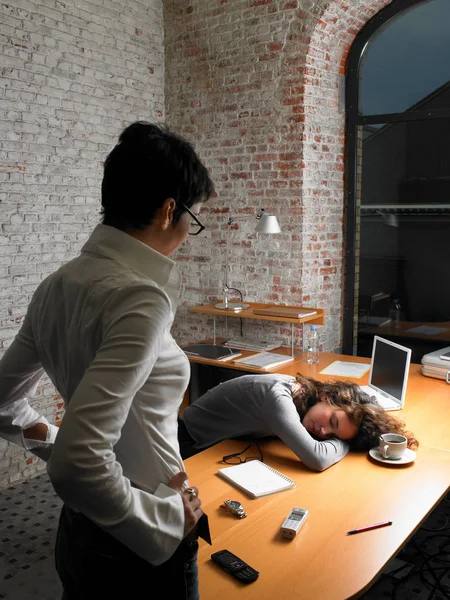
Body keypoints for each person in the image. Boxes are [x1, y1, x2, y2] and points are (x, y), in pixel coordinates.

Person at [0, 121, 214, 599]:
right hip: (137, 537)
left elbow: (3, 401)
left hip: (79, 527)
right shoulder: (141, 297)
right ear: (167, 211)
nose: (188, 233)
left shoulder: (59, 283)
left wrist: (49, 438)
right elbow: (78, 463)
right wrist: (161, 524)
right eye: (192, 220)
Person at [178, 372, 418, 471]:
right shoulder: (278, 399)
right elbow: (317, 458)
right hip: (190, 442)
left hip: (230, 440)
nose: (323, 432)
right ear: (328, 396)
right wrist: (346, 444)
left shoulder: (308, 400)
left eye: (333, 436)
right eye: (333, 422)